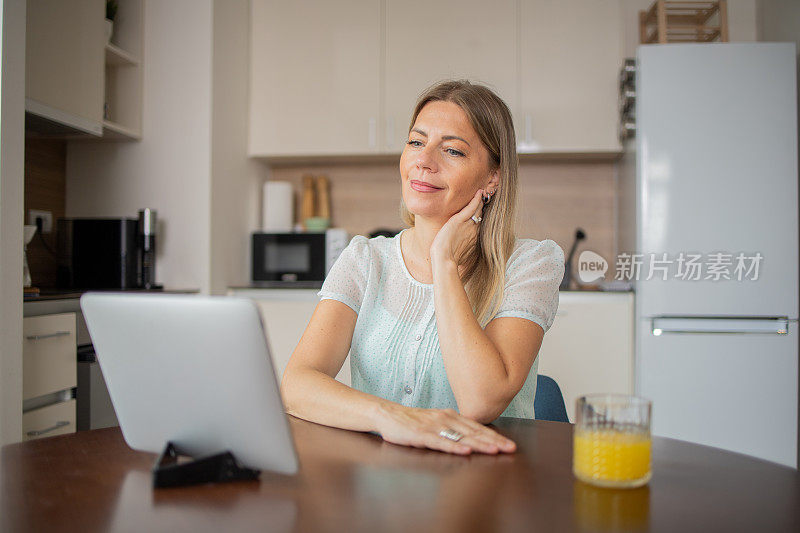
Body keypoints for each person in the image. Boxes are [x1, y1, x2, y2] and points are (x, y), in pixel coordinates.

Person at [281, 80, 565, 456]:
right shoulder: (365, 259)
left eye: (452, 150)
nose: (424, 161)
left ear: (493, 177)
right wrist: (391, 418)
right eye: (416, 142)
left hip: (484, 488)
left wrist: (444, 261)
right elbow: (297, 383)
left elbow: (481, 401)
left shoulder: (530, 264)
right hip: (377, 487)